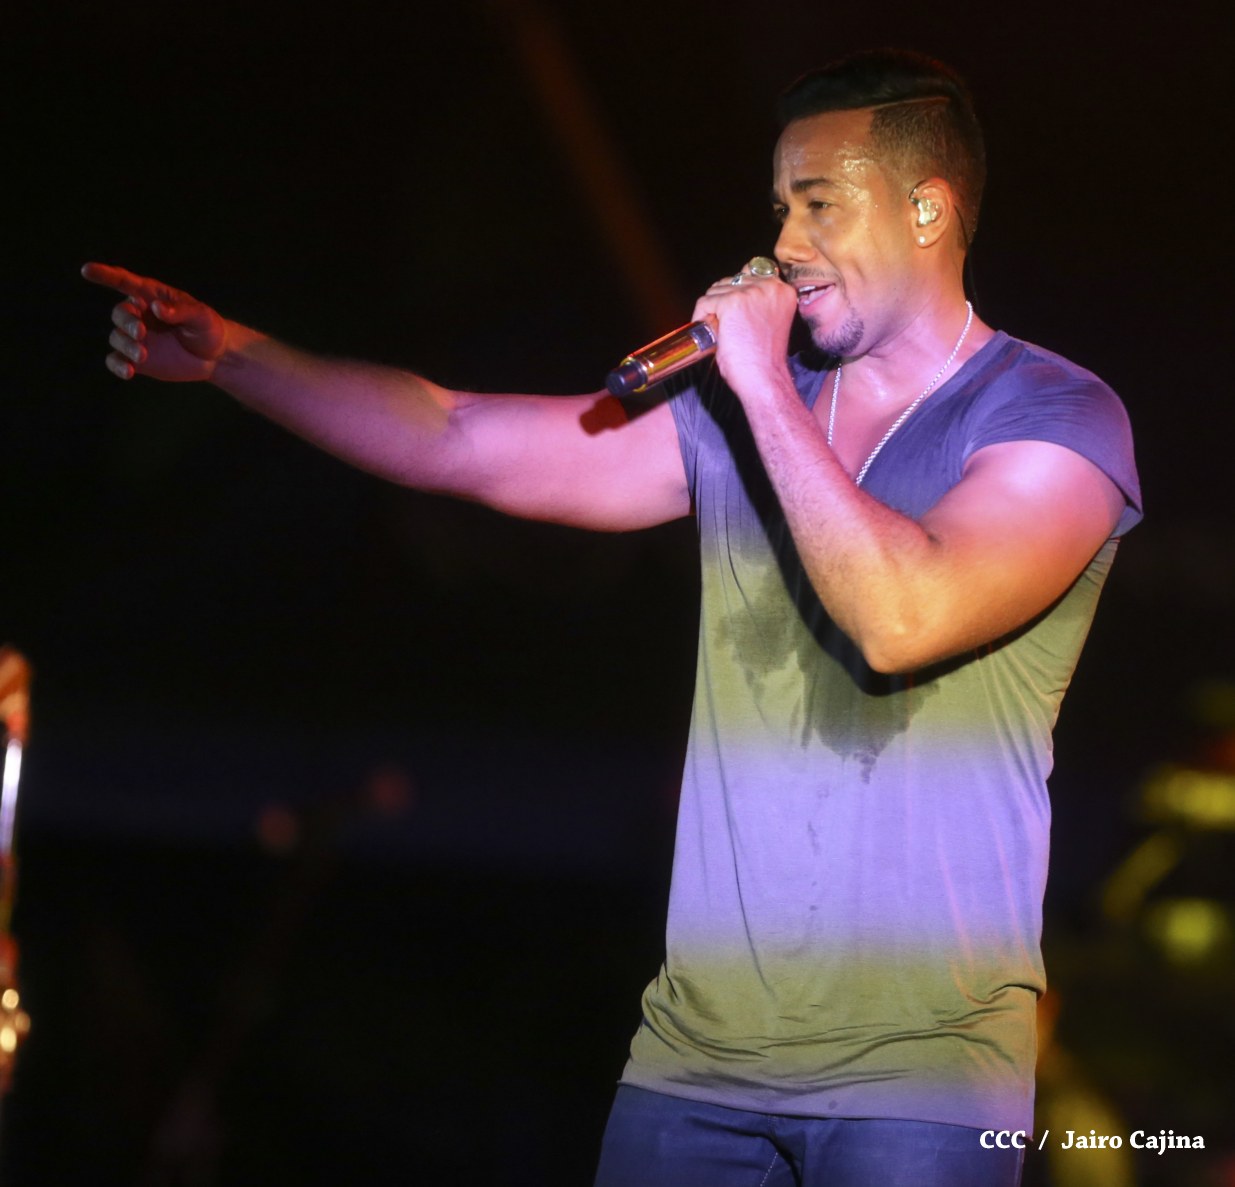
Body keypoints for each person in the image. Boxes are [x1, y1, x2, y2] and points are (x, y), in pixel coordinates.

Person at [84, 48, 1140, 1187]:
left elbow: (898, 617)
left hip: (920, 1080)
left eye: (818, 204)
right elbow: (457, 437)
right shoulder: (739, 414)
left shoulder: (1053, 416)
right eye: (778, 207)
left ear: (926, 208)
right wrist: (235, 358)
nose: (784, 243)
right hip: (693, 1067)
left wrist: (761, 388)